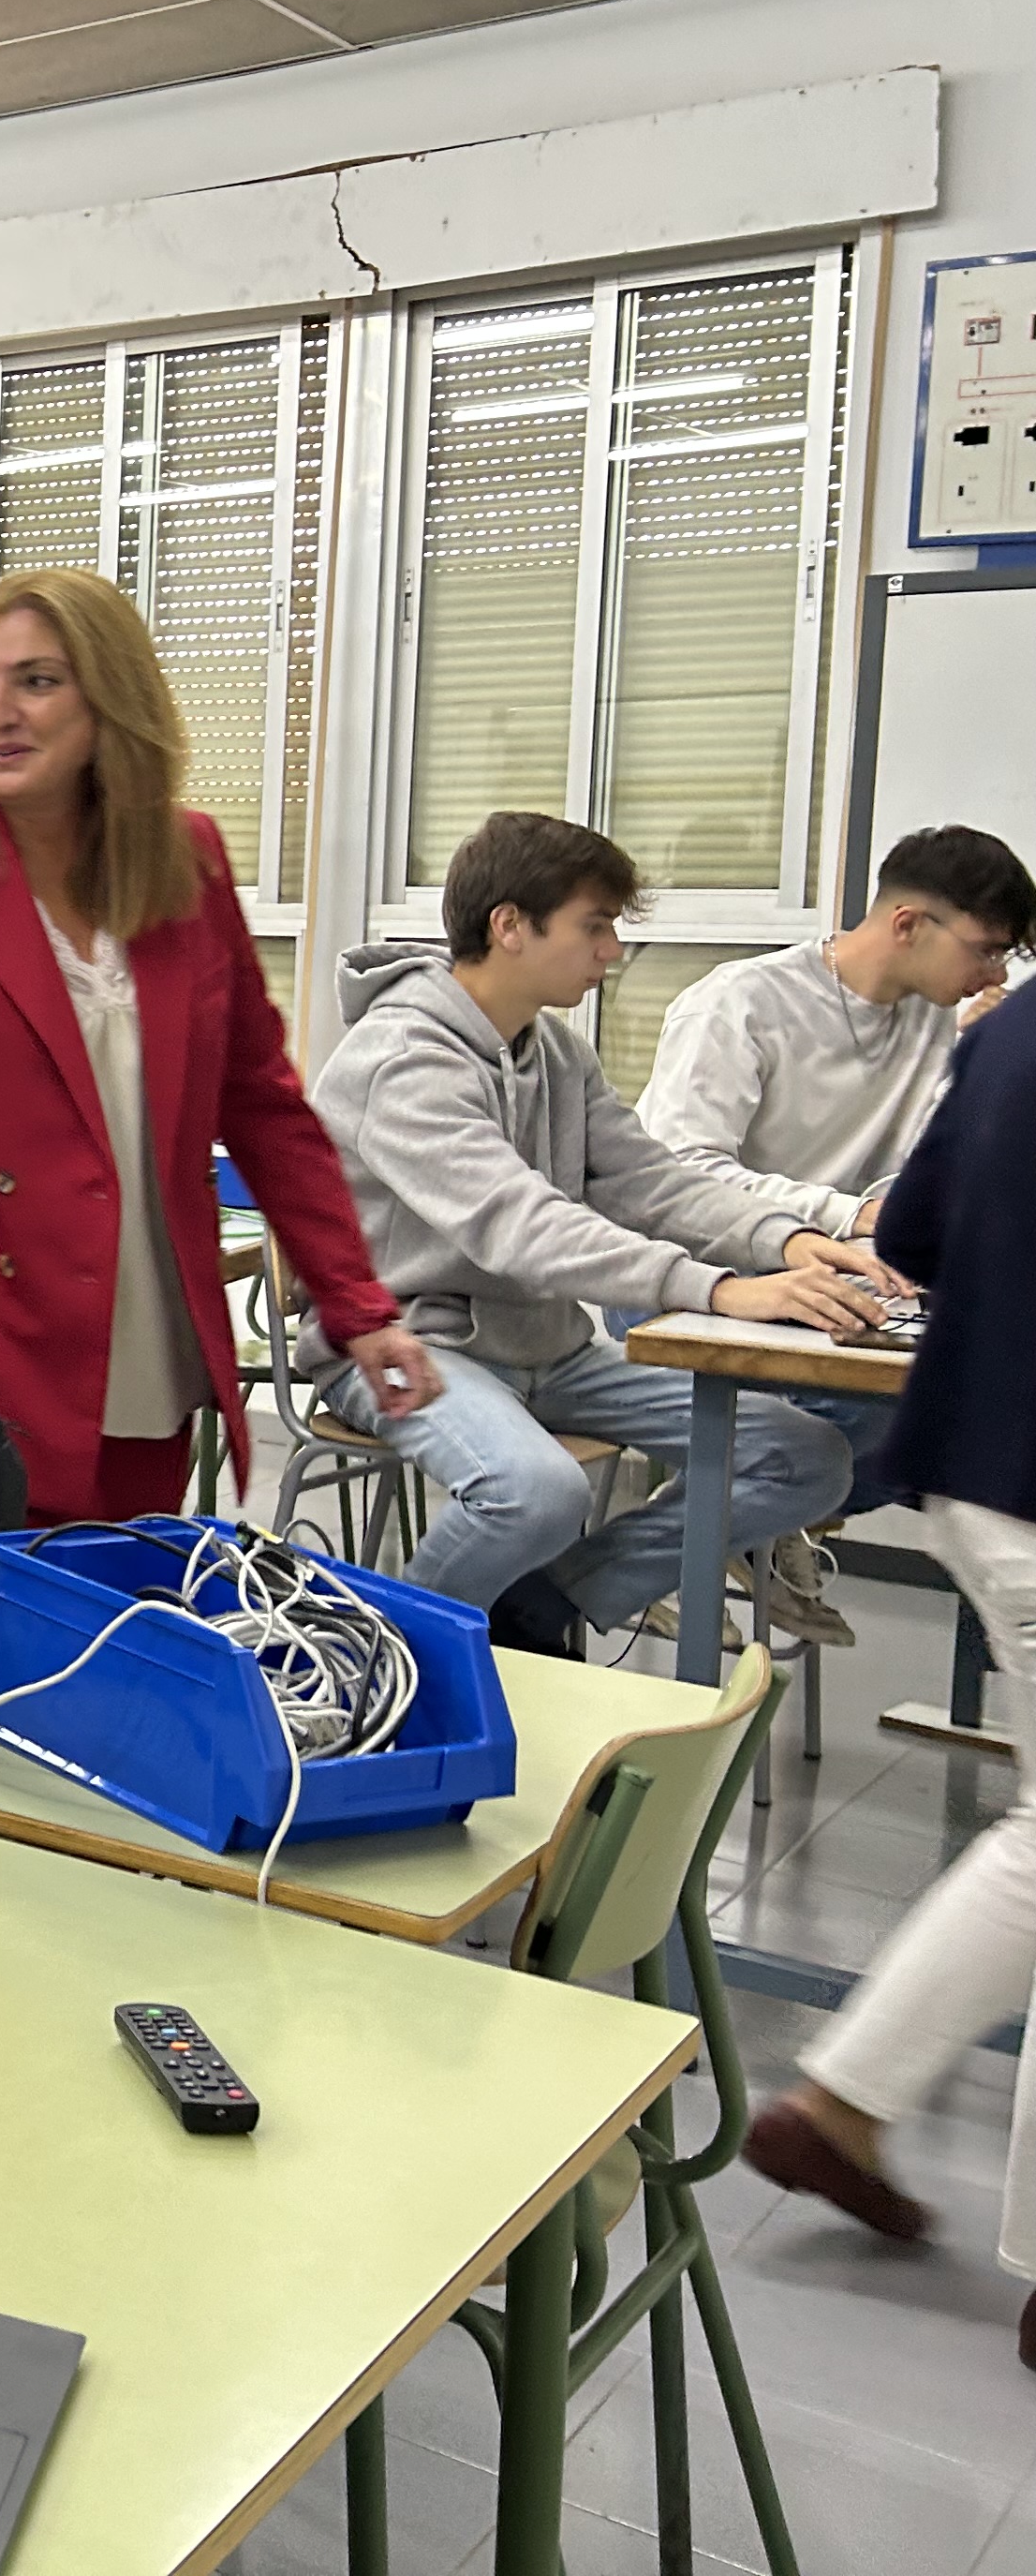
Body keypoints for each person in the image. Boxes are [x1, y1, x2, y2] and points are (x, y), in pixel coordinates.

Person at [0, 569, 435, 1538]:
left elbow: (263, 1106)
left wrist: (358, 1302)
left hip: (140, 1338)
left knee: (113, 1650)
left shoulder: (187, 862)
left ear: (110, 699)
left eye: (37, 681)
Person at [312, 810, 884, 1656]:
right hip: (408, 1346)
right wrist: (719, 1288)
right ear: (510, 925)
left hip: (550, 1350)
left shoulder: (552, 1052)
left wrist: (785, 1239)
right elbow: (519, 1225)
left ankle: (553, 1598)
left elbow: (648, 1182)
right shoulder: (400, 1058)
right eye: (595, 926)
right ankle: (374, 1664)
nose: (612, 951)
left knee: (806, 1457)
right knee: (537, 1493)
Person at [737, 977, 1036, 2367]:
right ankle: (848, 2100)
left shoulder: (1010, 1024)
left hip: (976, 1466)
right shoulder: (755, 1005)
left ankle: (847, 2103)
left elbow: (912, 1229)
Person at [630, 824, 1031, 1640]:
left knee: (937, 1410)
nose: (994, 975)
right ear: (910, 924)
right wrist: (842, 1216)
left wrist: (987, 1059)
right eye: (987, 951)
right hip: (691, 1273)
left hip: (840, 1277)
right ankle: (716, 1536)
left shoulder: (941, 1023)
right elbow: (678, 1173)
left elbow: (919, 1192)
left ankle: (748, 1526)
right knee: (875, 1424)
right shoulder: (739, 1002)